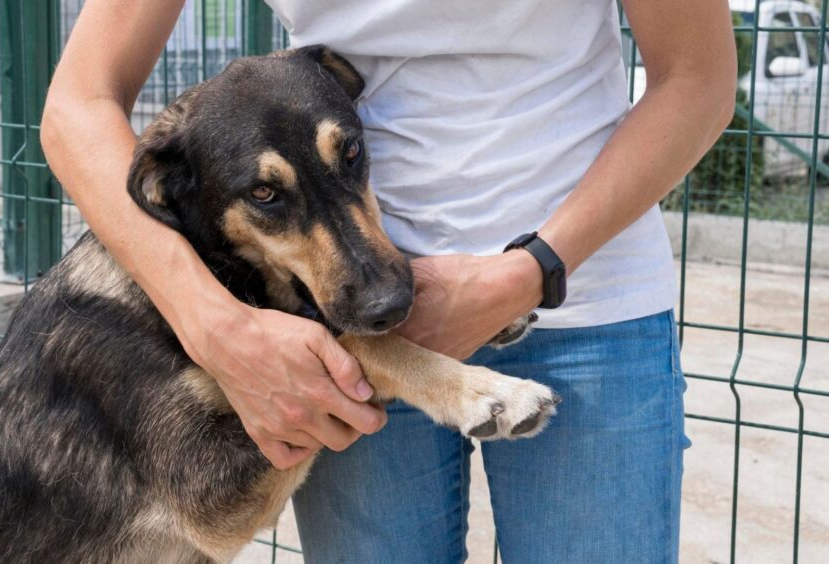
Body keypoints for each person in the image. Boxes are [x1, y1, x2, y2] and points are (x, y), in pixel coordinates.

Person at [42, 1, 736, 562]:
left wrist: (534, 270)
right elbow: (77, 104)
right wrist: (215, 325)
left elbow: (697, 79)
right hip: (348, 343)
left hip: (585, 301)